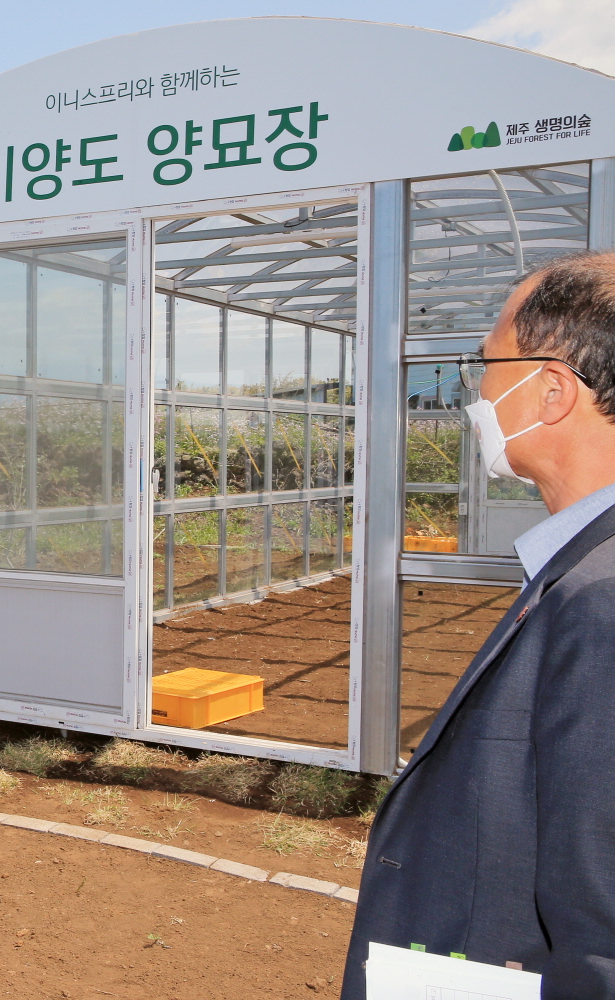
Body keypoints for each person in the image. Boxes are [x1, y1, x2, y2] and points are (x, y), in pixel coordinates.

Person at [344, 252, 615, 998]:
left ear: (552, 390)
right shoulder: (583, 568)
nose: (478, 390)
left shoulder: (603, 599)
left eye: (488, 362)